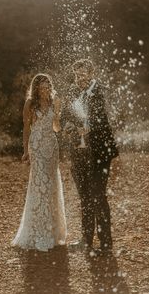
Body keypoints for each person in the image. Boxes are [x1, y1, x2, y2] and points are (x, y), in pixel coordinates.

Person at [62, 59, 119, 253]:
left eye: (83, 74)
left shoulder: (99, 91)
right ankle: (86, 240)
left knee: (98, 195)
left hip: (100, 152)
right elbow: (65, 116)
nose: (80, 78)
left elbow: (101, 117)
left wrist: (88, 127)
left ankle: (105, 243)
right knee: (84, 196)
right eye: (77, 75)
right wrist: (68, 126)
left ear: (91, 73)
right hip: (78, 152)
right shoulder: (72, 91)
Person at [11, 73, 67, 251]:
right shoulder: (30, 104)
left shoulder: (54, 101)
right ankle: (38, 233)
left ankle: (52, 232)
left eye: (47, 86)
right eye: (41, 87)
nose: (45, 90)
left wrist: (57, 115)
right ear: (36, 88)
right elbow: (26, 129)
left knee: (51, 187)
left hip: (52, 147)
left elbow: (57, 128)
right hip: (36, 146)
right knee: (40, 185)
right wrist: (26, 150)